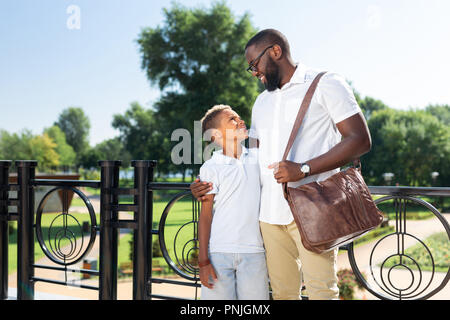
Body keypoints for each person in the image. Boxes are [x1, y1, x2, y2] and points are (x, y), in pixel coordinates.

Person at [191, 29, 372, 300]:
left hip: (314, 209)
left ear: (275, 52)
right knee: (283, 294)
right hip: (269, 217)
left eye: (255, 64)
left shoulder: (325, 83)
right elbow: (248, 151)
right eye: (250, 68)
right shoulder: (261, 102)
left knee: (321, 293)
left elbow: (359, 139)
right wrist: (204, 184)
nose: (254, 73)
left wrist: (304, 168)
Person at [197, 104, 269, 300]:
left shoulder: (258, 158)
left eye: (239, 117)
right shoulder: (211, 168)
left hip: (254, 252)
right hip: (219, 253)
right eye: (232, 120)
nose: (240, 121)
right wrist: (203, 261)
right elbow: (205, 216)